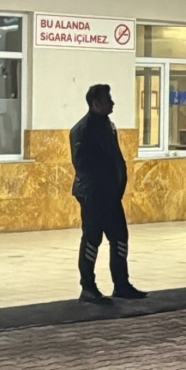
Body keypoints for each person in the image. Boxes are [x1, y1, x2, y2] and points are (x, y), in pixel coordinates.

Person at [70, 84, 148, 303]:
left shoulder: (107, 125)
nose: (112, 103)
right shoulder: (83, 129)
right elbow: (83, 166)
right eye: (108, 100)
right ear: (96, 104)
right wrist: (100, 189)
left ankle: (121, 284)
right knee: (92, 239)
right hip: (94, 195)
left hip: (111, 195)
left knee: (119, 237)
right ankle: (88, 287)